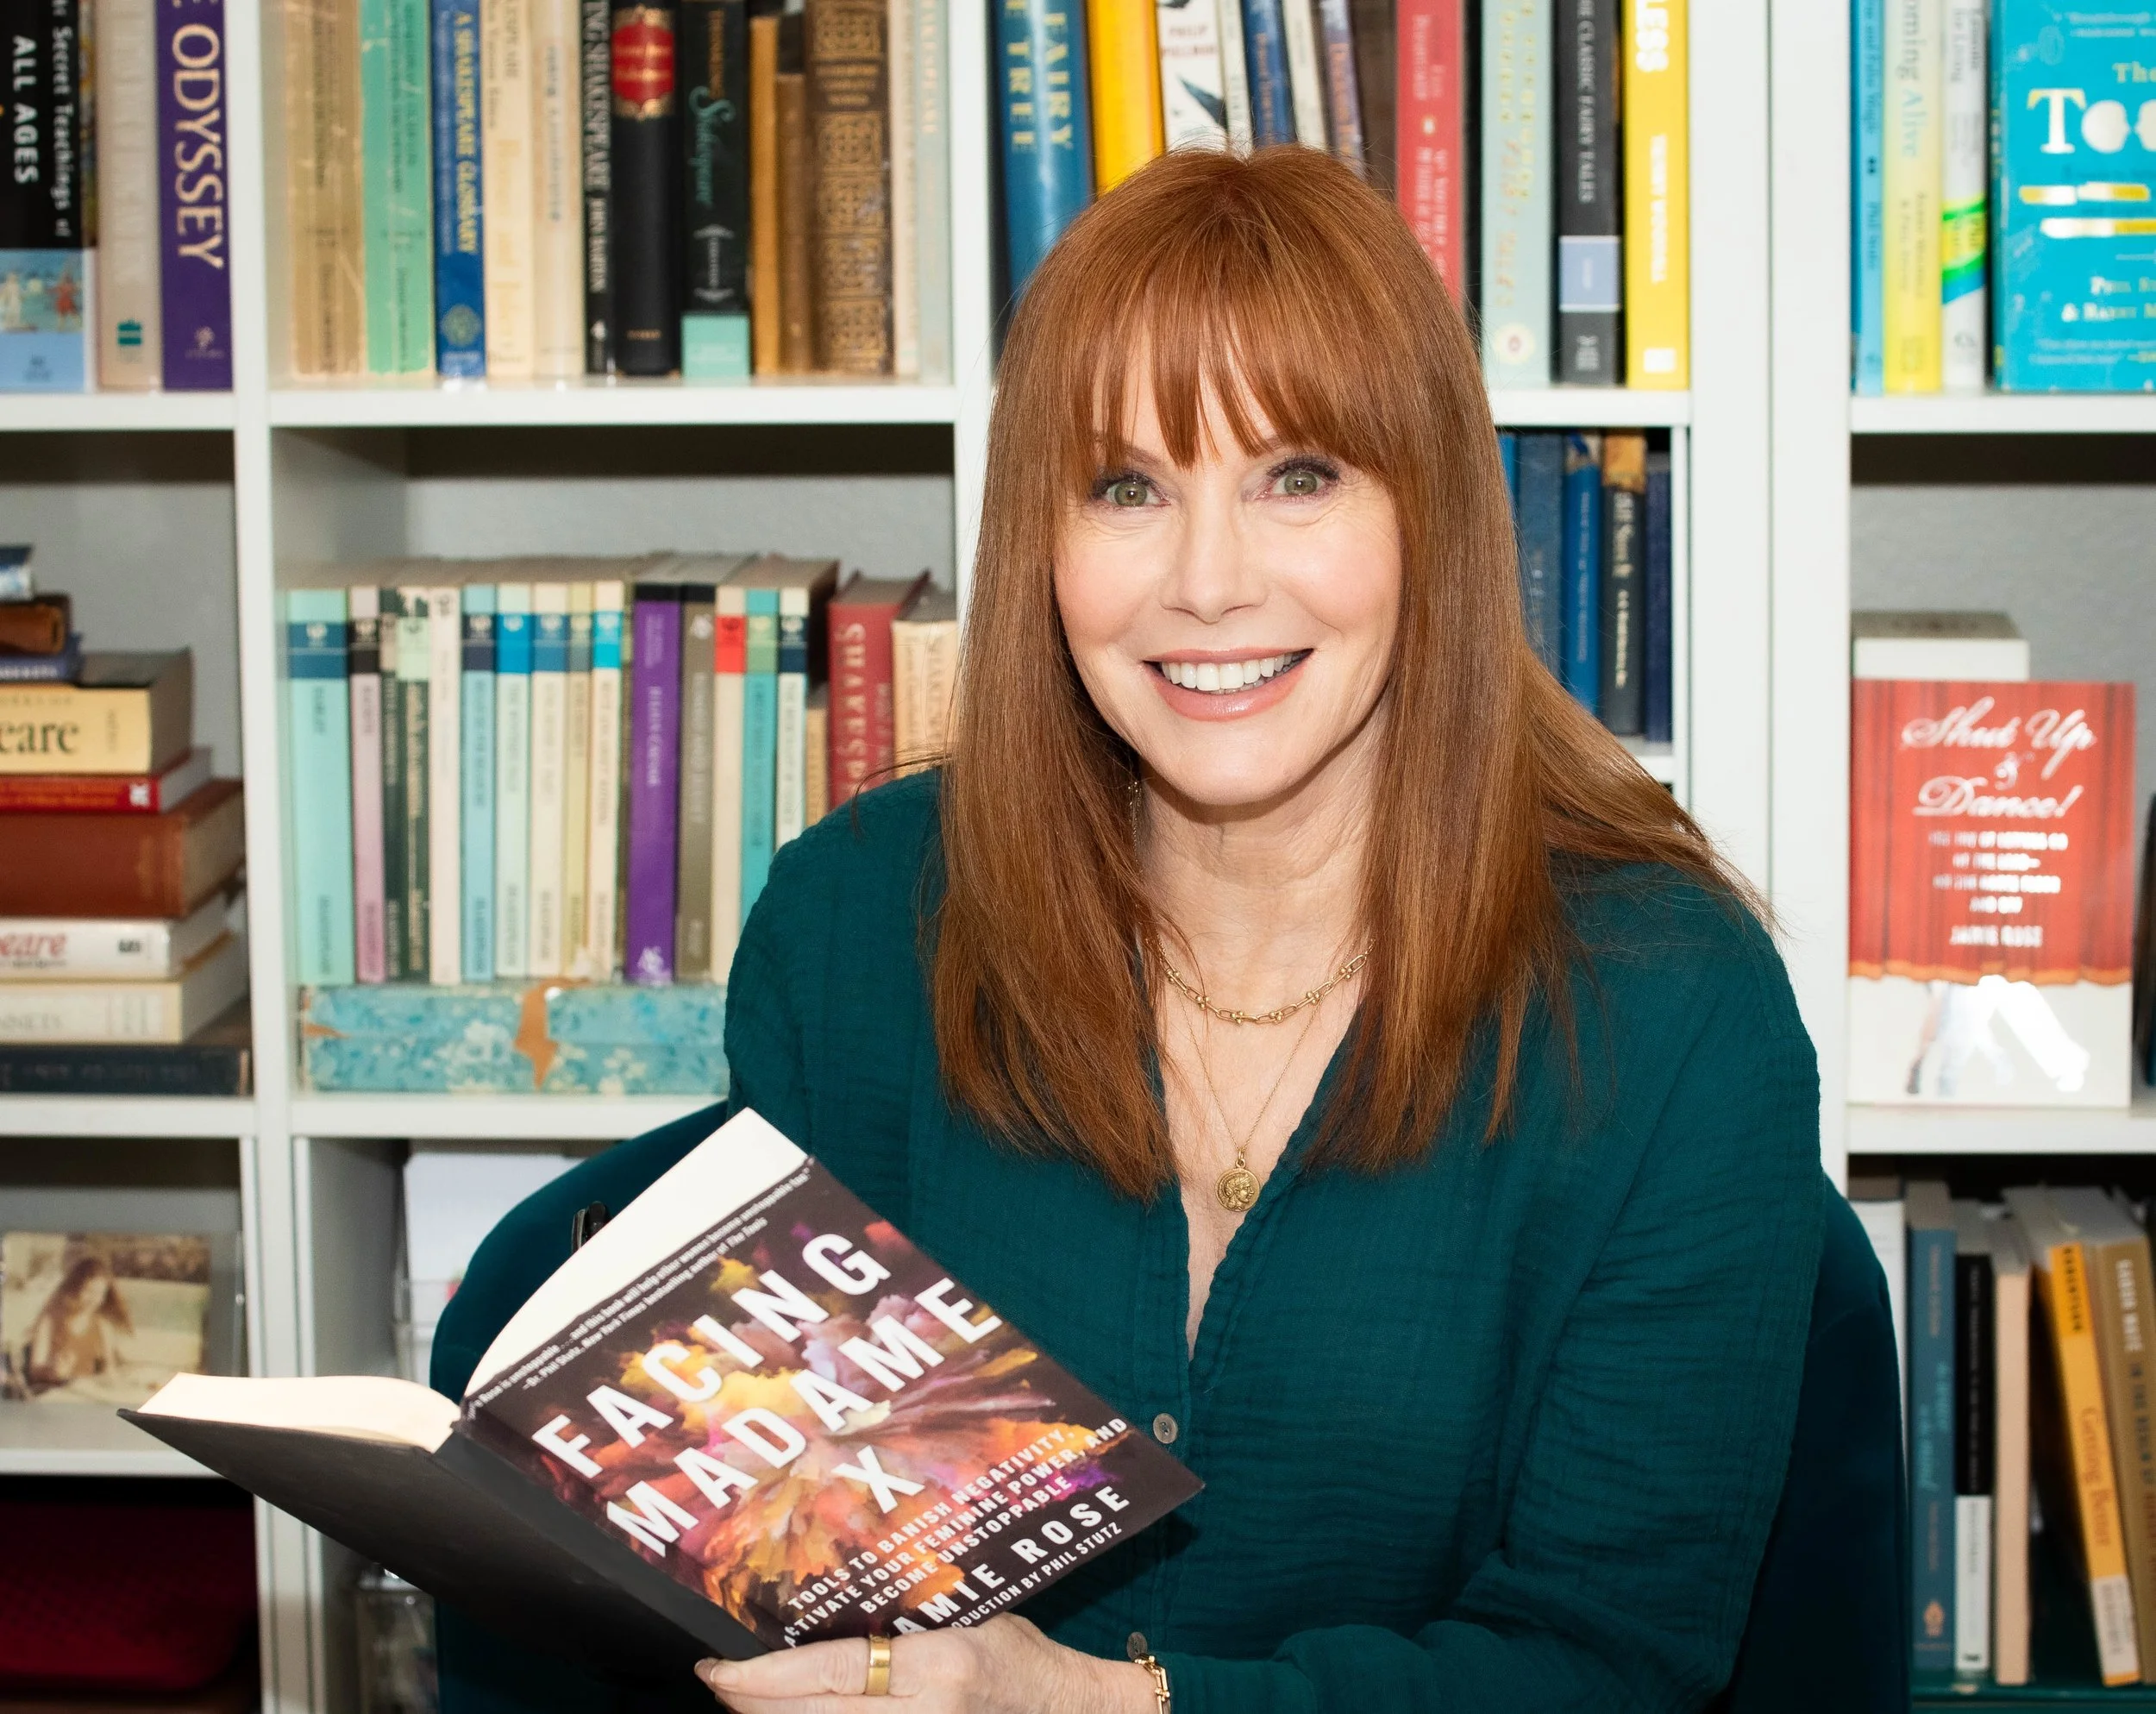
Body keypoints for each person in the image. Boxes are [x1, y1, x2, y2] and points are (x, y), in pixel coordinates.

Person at [678, 145, 1822, 1711]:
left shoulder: (1672, 1009)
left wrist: (1095, 1704)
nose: (1207, 583)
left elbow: (1609, 1667)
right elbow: (782, 1541)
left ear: (1430, 513)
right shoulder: (852, 928)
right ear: (1044, 540)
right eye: (1128, 487)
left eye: (1297, 477)